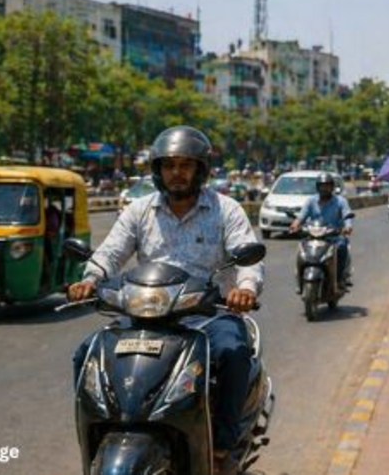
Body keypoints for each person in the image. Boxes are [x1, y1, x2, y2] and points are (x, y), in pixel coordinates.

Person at [68, 126, 263, 474]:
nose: (177, 173)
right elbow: (110, 252)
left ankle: (222, 446)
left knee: (233, 352)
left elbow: (246, 255)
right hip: (146, 313)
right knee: (86, 353)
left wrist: (245, 288)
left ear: (200, 169)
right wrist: (90, 279)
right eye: (169, 165)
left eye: (185, 165)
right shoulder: (139, 210)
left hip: (207, 313)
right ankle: (96, 436)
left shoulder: (226, 210)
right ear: (158, 170)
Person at [289, 172, 354, 286]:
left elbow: (347, 215)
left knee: (342, 246)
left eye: (327, 186)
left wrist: (347, 227)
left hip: (333, 237)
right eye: (322, 186)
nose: (324, 189)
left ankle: (339, 279)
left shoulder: (340, 201)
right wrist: (295, 225)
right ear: (317, 187)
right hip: (314, 236)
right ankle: (300, 279)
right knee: (301, 249)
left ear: (332, 187)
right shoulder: (311, 201)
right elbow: (301, 216)